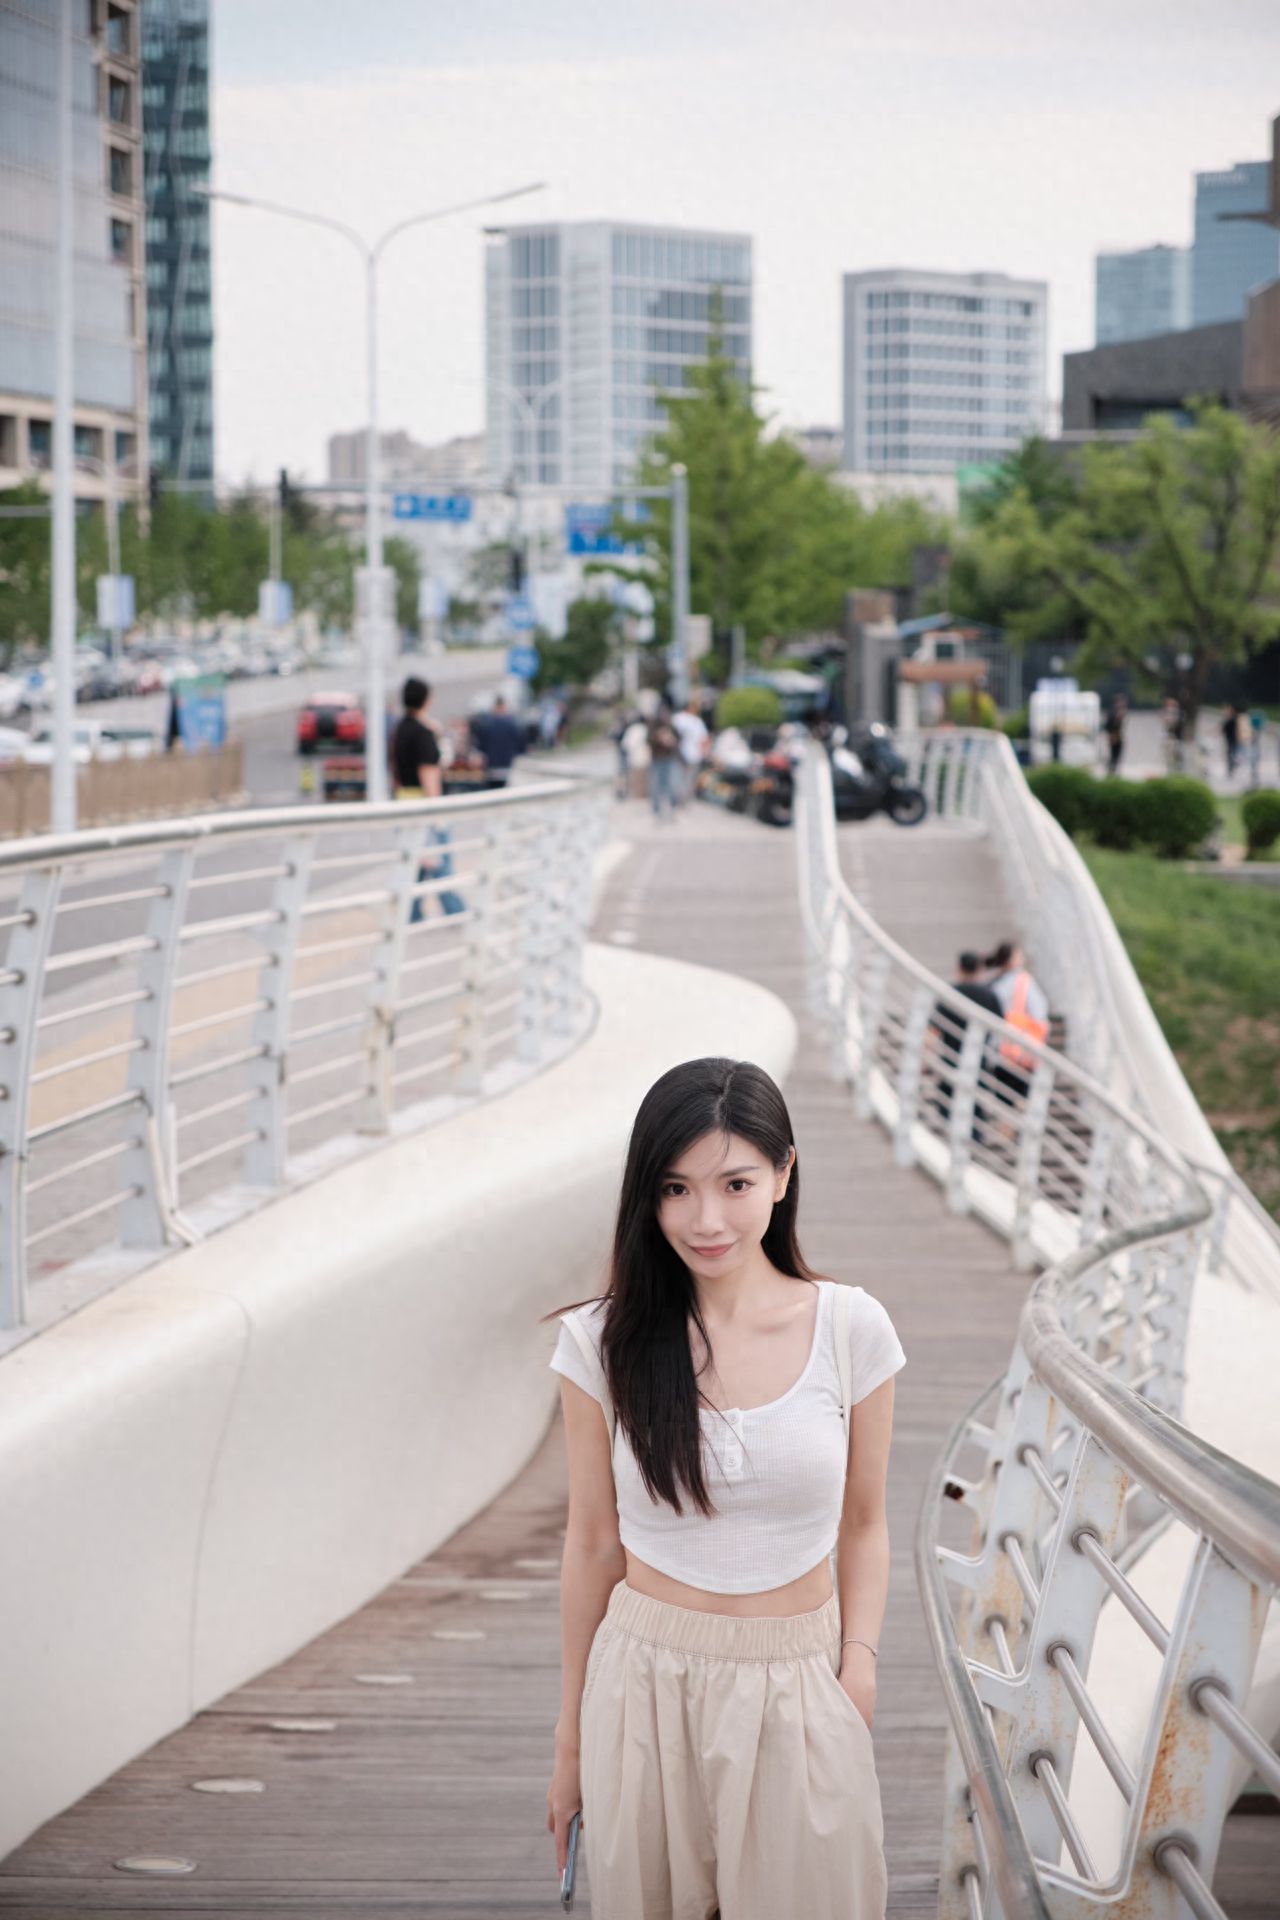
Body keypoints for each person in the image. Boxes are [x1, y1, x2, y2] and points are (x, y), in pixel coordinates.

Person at [543, 1058, 904, 1919]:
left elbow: (864, 1524)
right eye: (674, 1189)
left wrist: (856, 1668)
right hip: (641, 1680)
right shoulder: (600, 1342)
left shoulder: (850, 1326)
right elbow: (593, 1542)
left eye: (735, 1183)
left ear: (783, 1175)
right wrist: (569, 1741)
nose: (705, 1219)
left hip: (800, 1678)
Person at [390, 675, 464, 919]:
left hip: (404, 801)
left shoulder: (399, 730)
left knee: (417, 863)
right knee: (441, 863)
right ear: (427, 700)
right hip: (424, 803)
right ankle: (457, 912)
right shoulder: (422, 733)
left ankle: (411, 914)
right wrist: (437, 811)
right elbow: (429, 772)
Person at [928, 950, 1002, 1128]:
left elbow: (934, 1029)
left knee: (947, 1106)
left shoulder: (949, 994)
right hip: (979, 1060)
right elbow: (1000, 1028)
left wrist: (927, 1056)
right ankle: (973, 1142)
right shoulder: (989, 995)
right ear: (980, 969)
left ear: (959, 968)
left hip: (951, 1057)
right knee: (974, 1108)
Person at [986, 940, 1049, 1107]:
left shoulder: (993, 984)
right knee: (1019, 1099)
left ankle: (1004, 1130)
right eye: (1019, 955)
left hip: (1000, 1048)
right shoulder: (1024, 982)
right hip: (1021, 1048)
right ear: (1010, 959)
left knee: (1004, 1099)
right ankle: (1009, 1130)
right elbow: (1039, 1012)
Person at [471, 692, 525, 790]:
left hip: (491, 766)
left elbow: (480, 745)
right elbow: (520, 745)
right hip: (507, 765)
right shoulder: (512, 724)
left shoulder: (486, 723)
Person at [671, 695, 710, 805]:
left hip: (690, 754)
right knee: (682, 777)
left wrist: (705, 750)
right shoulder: (681, 718)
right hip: (682, 754)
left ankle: (682, 798)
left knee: (686, 778)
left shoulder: (696, 721)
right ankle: (679, 798)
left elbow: (704, 739)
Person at [646, 702, 681, 822]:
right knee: (656, 787)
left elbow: (679, 739)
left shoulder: (672, 726)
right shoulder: (653, 726)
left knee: (672, 786)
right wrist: (659, 737)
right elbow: (648, 740)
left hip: (670, 759)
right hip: (657, 760)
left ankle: (672, 809)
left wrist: (671, 740)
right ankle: (657, 812)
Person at [1103, 695, 1126, 777]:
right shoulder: (1113, 712)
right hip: (1114, 736)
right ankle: (1111, 772)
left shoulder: (1119, 712)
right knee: (1113, 755)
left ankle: (1113, 772)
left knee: (1116, 755)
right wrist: (1111, 734)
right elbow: (1108, 725)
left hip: (1118, 736)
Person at [1221, 703, 1241, 778]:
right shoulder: (1228, 718)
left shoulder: (1233, 718)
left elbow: (1237, 729)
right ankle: (1230, 770)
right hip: (1229, 739)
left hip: (1233, 740)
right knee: (1230, 755)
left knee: (1232, 755)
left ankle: (1232, 768)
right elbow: (1223, 728)